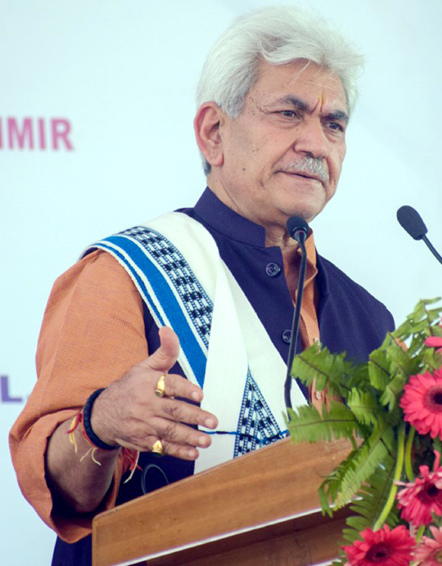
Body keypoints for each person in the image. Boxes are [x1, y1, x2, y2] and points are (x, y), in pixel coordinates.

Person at [9, 6, 394, 565]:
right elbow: (58, 488)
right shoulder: (126, 275)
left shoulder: (370, 317)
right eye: (290, 113)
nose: (317, 142)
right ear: (214, 132)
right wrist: (101, 423)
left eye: (334, 123)